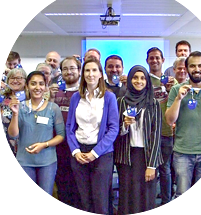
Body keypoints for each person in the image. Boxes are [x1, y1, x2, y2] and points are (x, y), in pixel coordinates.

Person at [165, 51, 201, 206]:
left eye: (200, 65)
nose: (196, 69)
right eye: (192, 66)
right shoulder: (175, 90)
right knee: (183, 196)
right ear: (186, 68)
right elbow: (169, 120)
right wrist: (179, 98)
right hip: (183, 153)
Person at [66, 56, 119, 214]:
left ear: (100, 74)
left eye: (94, 70)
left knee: (100, 200)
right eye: (87, 70)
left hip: (101, 154)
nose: (90, 74)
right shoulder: (76, 97)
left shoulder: (109, 97)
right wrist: (75, 151)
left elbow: (113, 128)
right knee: (84, 200)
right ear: (83, 74)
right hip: (79, 153)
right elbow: (70, 127)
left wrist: (95, 153)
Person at [8, 71, 65, 215]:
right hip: (24, 161)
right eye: (33, 83)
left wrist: (44, 145)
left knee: (44, 202)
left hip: (47, 162)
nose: (37, 87)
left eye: (41, 84)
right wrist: (15, 114)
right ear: (27, 86)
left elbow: (60, 136)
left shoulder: (53, 108)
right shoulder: (20, 107)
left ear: (46, 87)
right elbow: (13, 134)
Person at [114, 65, 162, 214]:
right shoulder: (121, 101)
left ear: (147, 81)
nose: (139, 81)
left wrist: (152, 165)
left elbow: (156, 134)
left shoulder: (153, 104)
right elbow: (114, 130)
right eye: (135, 77)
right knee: (127, 195)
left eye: (142, 78)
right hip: (126, 157)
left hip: (147, 157)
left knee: (146, 196)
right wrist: (124, 126)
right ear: (129, 80)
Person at [49, 56, 81, 208]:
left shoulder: (84, 92)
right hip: (59, 147)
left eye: (72, 68)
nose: (69, 72)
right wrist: (49, 98)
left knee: (79, 189)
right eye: (65, 69)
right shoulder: (54, 92)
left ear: (79, 71)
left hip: (79, 147)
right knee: (63, 188)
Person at [146, 47, 176, 204]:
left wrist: (172, 90)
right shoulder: (143, 80)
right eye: (151, 58)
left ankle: (166, 203)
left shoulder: (171, 81)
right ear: (147, 61)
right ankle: (149, 204)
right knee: (151, 170)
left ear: (163, 60)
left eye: (157, 57)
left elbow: (179, 103)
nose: (154, 60)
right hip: (149, 134)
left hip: (166, 132)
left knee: (165, 170)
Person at [0, 68, 27, 157]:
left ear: (25, 81)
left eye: (19, 78)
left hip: (23, 141)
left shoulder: (31, 98)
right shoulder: (2, 97)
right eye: (12, 78)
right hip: (3, 140)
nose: (15, 81)